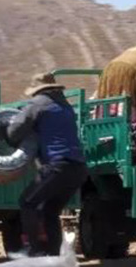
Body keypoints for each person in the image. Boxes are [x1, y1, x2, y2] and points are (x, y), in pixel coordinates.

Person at [6, 73, 88, 256]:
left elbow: (14, 133)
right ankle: (53, 254)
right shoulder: (65, 105)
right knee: (51, 211)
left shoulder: (38, 103)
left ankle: (35, 251)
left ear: (37, 90)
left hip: (57, 166)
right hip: (78, 168)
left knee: (27, 203)